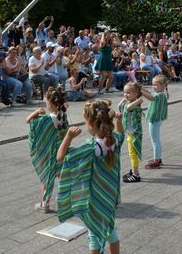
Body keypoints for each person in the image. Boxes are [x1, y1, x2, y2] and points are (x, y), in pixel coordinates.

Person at [56, 99, 124, 254]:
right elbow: (121, 133)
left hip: (93, 199)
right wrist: (119, 121)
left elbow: (60, 157)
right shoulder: (115, 141)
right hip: (109, 196)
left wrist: (68, 136)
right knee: (111, 229)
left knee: (94, 233)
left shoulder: (90, 149)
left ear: (91, 124)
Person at [26, 87, 68, 213]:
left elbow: (28, 121)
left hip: (51, 154)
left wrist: (36, 112)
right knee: (62, 176)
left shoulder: (45, 119)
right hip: (62, 151)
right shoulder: (63, 116)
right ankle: (65, 198)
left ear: (49, 103)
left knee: (47, 179)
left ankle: (45, 204)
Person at [141, 75, 169, 169]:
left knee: (155, 141)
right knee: (156, 140)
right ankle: (158, 158)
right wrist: (142, 88)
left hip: (155, 120)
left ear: (163, 85)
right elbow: (151, 94)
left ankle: (156, 160)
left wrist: (140, 91)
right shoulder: (161, 93)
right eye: (153, 84)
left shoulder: (160, 95)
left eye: (156, 85)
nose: (154, 87)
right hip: (157, 119)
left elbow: (151, 98)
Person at [119, 82, 143, 183]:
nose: (125, 95)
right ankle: (133, 170)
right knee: (131, 153)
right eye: (124, 92)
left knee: (133, 153)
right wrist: (123, 100)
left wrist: (139, 100)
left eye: (128, 93)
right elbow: (120, 107)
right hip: (129, 132)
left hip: (134, 133)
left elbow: (128, 108)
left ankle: (136, 174)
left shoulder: (134, 105)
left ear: (135, 94)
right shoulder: (130, 103)